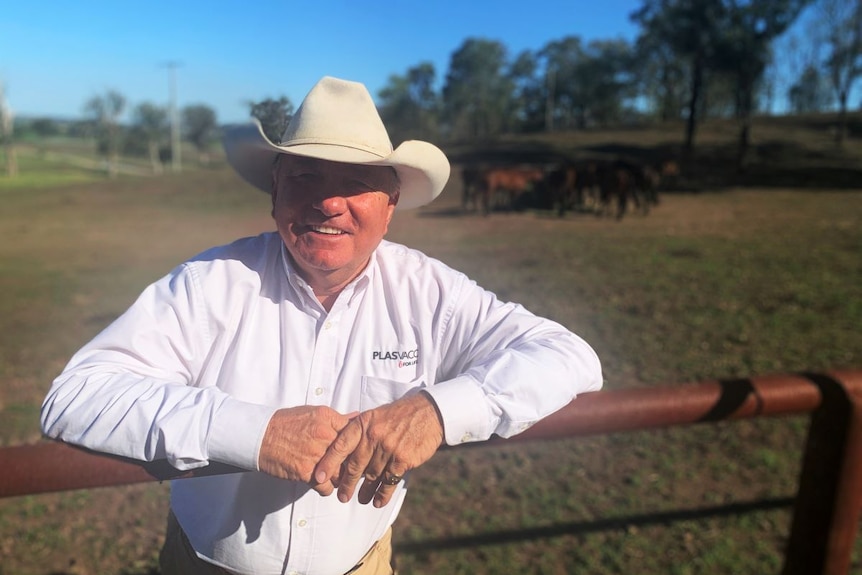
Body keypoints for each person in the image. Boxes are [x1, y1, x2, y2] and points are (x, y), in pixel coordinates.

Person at [40, 76, 602, 575]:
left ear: (391, 202)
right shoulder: (211, 281)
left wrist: (436, 411)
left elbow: (567, 354)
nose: (329, 202)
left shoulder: (430, 291)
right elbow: (76, 396)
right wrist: (254, 433)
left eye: (356, 181)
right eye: (305, 175)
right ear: (276, 194)